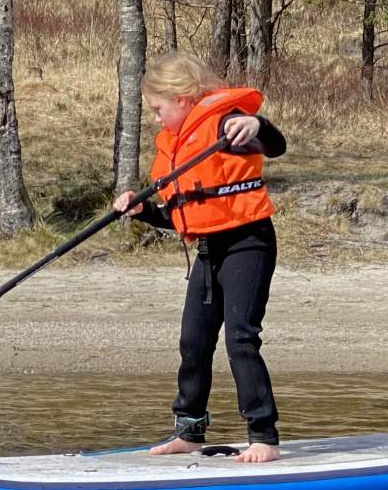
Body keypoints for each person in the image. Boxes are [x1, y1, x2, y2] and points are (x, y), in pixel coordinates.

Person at [114, 52, 287, 464]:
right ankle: (188, 432)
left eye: (158, 109)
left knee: (241, 339)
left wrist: (257, 125)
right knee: (193, 341)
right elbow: (185, 215)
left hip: (248, 242)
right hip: (209, 251)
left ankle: (264, 437)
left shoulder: (227, 124)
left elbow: (274, 145)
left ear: (182, 99)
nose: (155, 118)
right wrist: (143, 212)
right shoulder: (173, 145)